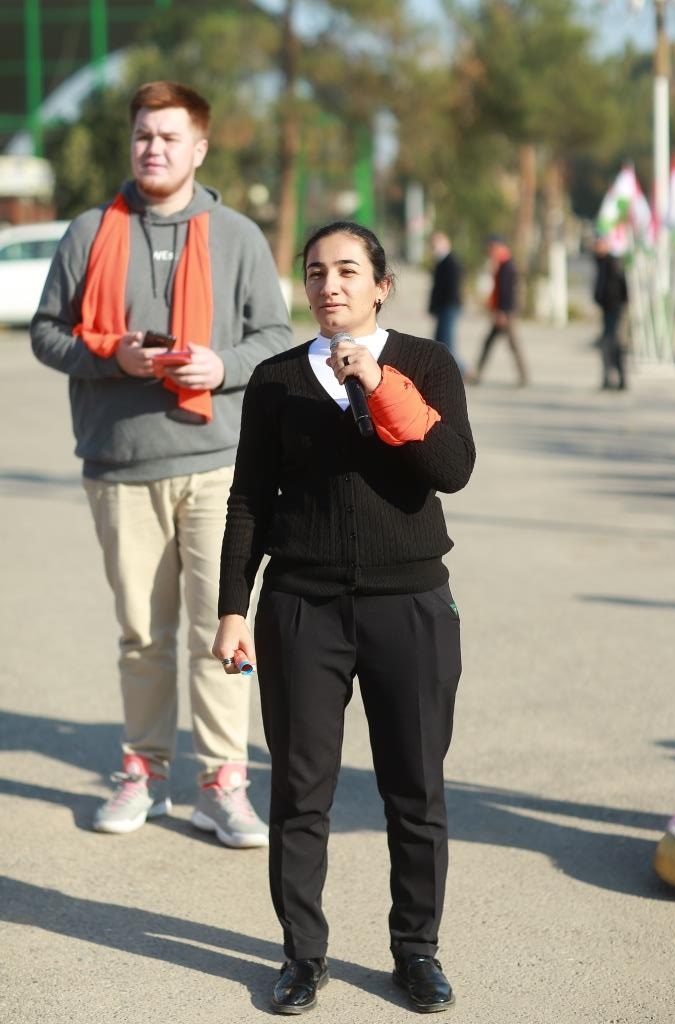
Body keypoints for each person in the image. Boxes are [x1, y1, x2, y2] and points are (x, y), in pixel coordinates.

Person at [213, 220, 476, 1013]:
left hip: (410, 604)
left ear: (381, 286)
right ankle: (302, 955)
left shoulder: (426, 363)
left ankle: (416, 952)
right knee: (300, 792)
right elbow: (248, 499)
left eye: (348, 271)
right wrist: (232, 608)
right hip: (302, 606)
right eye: (315, 271)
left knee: (415, 790)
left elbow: (450, 470)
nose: (329, 285)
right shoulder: (275, 378)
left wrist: (377, 381)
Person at [30, 81, 292, 846]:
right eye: (144, 135)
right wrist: (112, 357)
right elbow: (47, 333)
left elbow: (276, 336)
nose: (154, 148)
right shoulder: (88, 230)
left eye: (170, 137)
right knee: (142, 634)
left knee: (222, 630)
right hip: (120, 464)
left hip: (219, 467)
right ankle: (143, 771)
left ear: (198, 148)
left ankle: (221, 784)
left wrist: (221, 366)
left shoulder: (237, 235)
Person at [471, 235, 529, 386]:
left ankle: (523, 377)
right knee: (490, 343)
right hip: (501, 312)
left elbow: (507, 292)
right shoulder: (501, 264)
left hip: (505, 313)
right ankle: (477, 374)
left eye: (492, 248)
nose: (490, 251)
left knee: (511, 345)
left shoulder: (507, 266)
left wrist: (502, 312)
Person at [593, 234, 628, 390]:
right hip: (606, 308)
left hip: (614, 308)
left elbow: (621, 286)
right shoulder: (600, 262)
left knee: (611, 343)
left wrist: (620, 304)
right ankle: (608, 377)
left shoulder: (612, 263)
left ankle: (619, 378)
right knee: (607, 344)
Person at [428, 230, 465, 372]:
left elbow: (452, 287)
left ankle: (460, 369)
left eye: (436, 244)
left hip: (449, 307)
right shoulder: (441, 262)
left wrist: (445, 305)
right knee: (440, 339)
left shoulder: (451, 261)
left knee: (446, 340)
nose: (434, 248)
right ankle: (442, 368)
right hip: (443, 307)